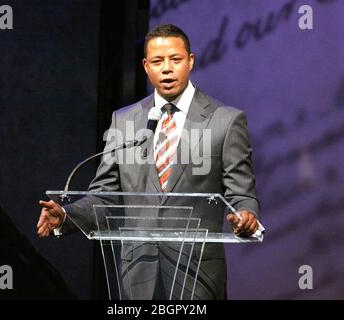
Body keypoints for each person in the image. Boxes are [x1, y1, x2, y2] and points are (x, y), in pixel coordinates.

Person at [37, 24, 262, 300]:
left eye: (175, 60)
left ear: (190, 61)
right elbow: (104, 197)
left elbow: (242, 194)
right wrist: (67, 215)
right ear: (146, 66)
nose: (167, 68)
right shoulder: (124, 121)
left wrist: (246, 217)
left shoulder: (226, 120)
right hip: (137, 274)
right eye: (157, 61)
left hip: (197, 275)